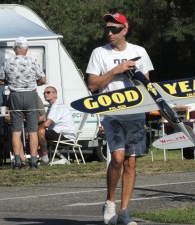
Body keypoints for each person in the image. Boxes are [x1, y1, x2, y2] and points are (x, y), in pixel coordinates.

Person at [86, 12, 154, 225]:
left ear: (125, 29)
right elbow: (92, 85)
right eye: (107, 29)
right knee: (117, 158)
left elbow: (147, 85)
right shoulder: (99, 53)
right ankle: (109, 202)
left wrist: (135, 74)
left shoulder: (139, 51)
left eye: (114, 29)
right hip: (112, 111)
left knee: (131, 162)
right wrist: (116, 70)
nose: (110, 33)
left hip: (134, 112)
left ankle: (124, 211)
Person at [0, 36, 46, 170]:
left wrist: (11, 82)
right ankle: (33, 161)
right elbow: (43, 80)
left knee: (16, 130)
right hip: (31, 95)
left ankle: (17, 161)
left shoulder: (7, 62)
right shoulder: (33, 61)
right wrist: (32, 83)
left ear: (14, 49)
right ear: (26, 49)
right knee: (33, 130)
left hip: (14, 95)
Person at [37, 86, 76, 166]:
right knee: (37, 130)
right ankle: (40, 157)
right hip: (61, 134)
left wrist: (38, 128)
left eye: (48, 92)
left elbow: (46, 123)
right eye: (44, 93)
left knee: (40, 131)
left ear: (55, 94)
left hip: (66, 137)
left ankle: (44, 158)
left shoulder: (57, 106)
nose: (45, 94)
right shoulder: (52, 106)